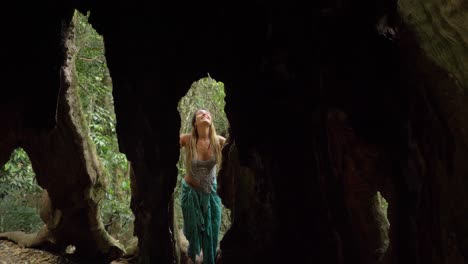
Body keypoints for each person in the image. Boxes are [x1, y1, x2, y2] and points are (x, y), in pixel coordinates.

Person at [179, 109, 226, 264]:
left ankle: (209, 260)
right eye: (201, 113)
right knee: (192, 233)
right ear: (195, 122)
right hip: (190, 193)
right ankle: (192, 258)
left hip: (211, 194)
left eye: (208, 113)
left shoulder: (219, 141)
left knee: (212, 229)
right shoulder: (187, 139)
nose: (205, 114)